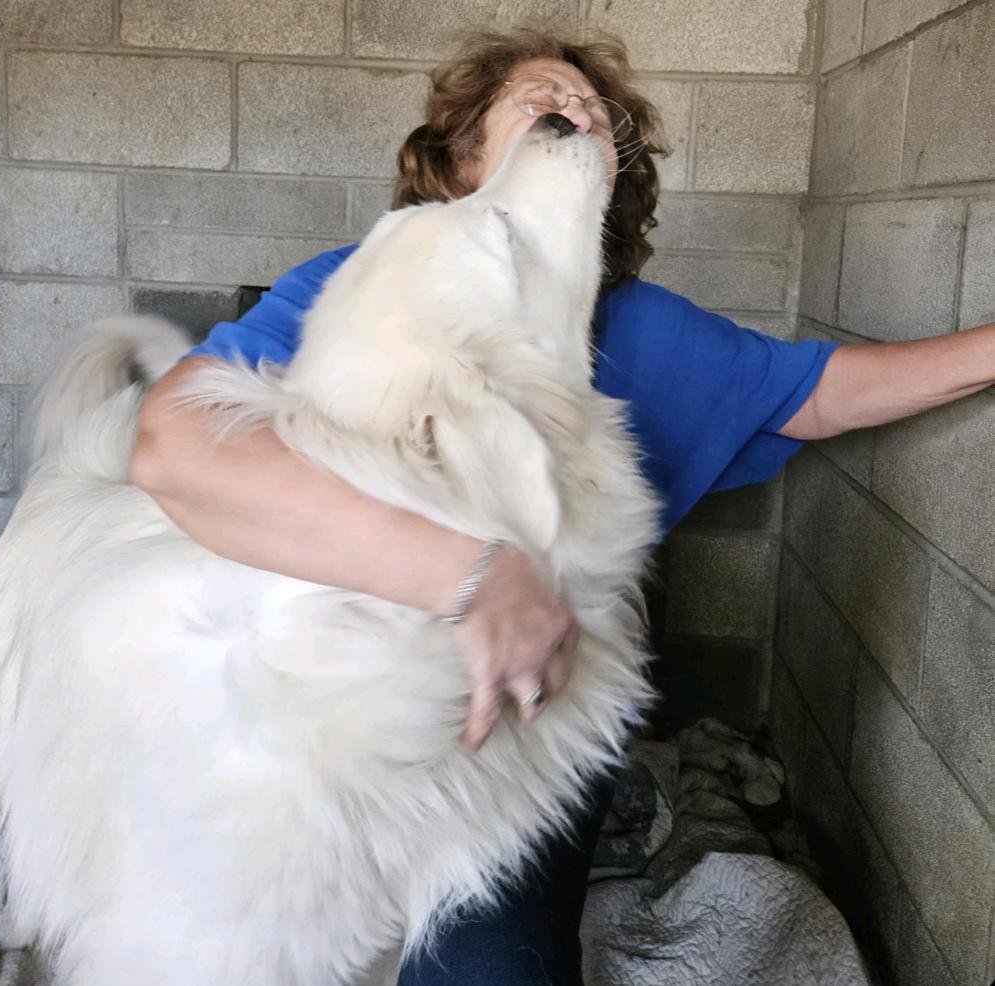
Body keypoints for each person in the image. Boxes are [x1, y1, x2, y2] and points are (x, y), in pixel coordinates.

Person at [131, 27, 995, 986]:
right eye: (546, 106)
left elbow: (822, 393)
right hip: (328, 689)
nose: (581, 120)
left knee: (489, 970)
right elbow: (175, 442)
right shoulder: (370, 278)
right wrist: (468, 575)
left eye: (596, 115)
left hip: (528, 712)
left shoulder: (639, 325)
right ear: (463, 157)